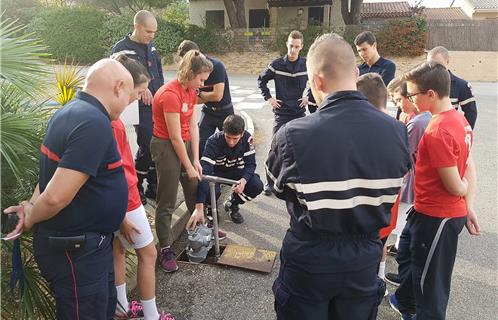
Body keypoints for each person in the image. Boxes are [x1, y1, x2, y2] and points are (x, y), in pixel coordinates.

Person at [267, 33, 411, 320]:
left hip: (310, 257)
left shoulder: (292, 135)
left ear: (317, 82)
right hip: (365, 258)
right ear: (355, 73)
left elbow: (276, 186)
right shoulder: (397, 132)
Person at [4, 59, 134, 319]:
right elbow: (54, 197)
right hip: (77, 253)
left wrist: (31, 205)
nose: (129, 104)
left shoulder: (70, 111)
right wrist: (30, 216)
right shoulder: (93, 123)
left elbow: (50, 177)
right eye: (130, 96)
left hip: (87, 247)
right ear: (119, 86)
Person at [389, 62, 480, 320]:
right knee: (426, 277)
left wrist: (463, 192)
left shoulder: (437, 130)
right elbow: (469, 166)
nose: (410, 100)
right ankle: (405, 304)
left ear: (430, 94)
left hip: (437, 217)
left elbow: (455, 183)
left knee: (430, 291)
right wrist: (467, 204)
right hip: (437, 214)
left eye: (412, 94)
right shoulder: (459, 120)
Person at [110, 54, 174, 320]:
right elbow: (114, 173)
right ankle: (151, 315)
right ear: (121, 85)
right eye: (138, 91)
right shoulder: (112, 124)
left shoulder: (105, 117)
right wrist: (122, 215)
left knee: (118, 250)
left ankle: (121, 308)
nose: (141, 96)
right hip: (126, 200)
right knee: (148, 253)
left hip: (117, 202)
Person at [151, 50, 213, 273]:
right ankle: (165, 248)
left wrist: (195, 159)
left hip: (184, 142)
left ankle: (200, 227)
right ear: (190, 72)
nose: (203, 84)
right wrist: (186, 165)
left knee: (193, 188)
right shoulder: (170, 94)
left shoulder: (191, 91)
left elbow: (194, 126)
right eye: (201, 79)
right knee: (166, 199)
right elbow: (174, 136)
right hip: (166, 144)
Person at [112, 10, 164, 204]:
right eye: (148, 32)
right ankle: (137, 185)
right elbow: (117, 78)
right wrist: (140, 89)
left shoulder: (151, 47)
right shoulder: (121, 48)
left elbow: (158, 73)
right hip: (137, 106)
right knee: (146, 145)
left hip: (156, 106)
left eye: (154, 32)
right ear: (137, 27)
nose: (152, 36)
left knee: (157, 146)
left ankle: (153, 185)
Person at [383, 79, 431, 288]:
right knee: (406, 228)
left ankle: (404, 282)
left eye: (398, 99)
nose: (397, 104)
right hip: (415, 180)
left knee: (401, 227)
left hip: (409, 181)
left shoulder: (417, 123)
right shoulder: (420, 118)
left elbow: (401, 155)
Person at [257, 30, 313, 195]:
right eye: (290, 46)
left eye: (296, 47)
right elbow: (261, 80)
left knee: (300, 148)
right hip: (282, 113)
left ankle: (295, 182)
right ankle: (269, 182)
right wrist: (269, 99)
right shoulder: (276, 65)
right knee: (275, 147)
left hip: (299, 113)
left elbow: (317, 79)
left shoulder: (307, 64)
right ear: (286, 44)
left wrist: (308, 96)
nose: (293, 50)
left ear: (301, 46)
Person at [186, 114, 263, 227]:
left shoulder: (247, 139)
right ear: (223, 131)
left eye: (235, 138)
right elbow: (205, 173)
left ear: (242, 134)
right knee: (209, 189)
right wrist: (199, 205)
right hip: (215, 173)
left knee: (256, 184)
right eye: (228, 137)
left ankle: (233, 203)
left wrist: (244, 180)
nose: (231, 142)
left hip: (235, 172)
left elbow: (250, 165)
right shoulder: (213, 141)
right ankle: (210, 207)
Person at [177, 40, 234, 156]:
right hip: (208, 111)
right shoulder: (190, 70)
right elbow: (191, 100)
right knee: (199, 144)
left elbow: (217, 96)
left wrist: (200, 94)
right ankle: (202, 169)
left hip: (224, 111)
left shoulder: (216, 66)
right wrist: (202, 97)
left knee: (229, 144)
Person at [427, 46, 478, 129]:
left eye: (438, 64)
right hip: (424, 133)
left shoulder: (461, 85)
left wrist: (464, 134)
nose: (433, 68)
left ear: (447, 62)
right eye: (430, 64)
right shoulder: (421, 83)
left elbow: (471, 112)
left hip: (447, 132)